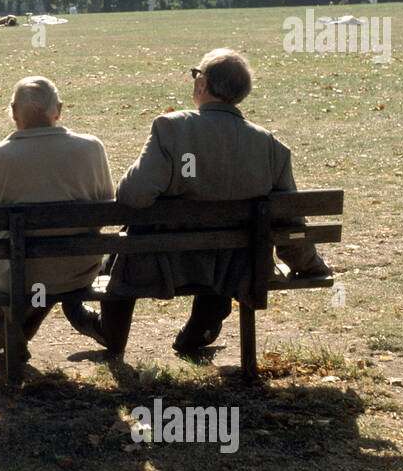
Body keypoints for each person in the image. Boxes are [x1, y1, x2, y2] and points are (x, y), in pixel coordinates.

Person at [99, 49, 331, 362]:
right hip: (236, 269)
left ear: (202, 85)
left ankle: (113, 337)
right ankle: (201, 329)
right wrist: (309, 265)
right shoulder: (270, 146)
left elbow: (132, 196)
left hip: (162, 265)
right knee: (223, 248)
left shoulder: (171, 129)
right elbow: (289, 222)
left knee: (121, 247)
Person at [0, 77, 115, 368]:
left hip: (18, 275)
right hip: (79, 270)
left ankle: (6, 338)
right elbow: (107, 206)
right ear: (58, 110)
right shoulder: (91, 148)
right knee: (40, 269)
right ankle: (15, 336)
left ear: (13, 112)